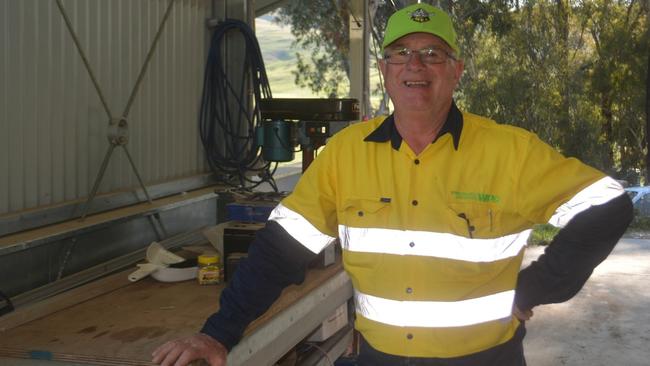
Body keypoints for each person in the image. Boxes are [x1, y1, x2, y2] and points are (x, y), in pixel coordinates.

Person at [152, 3, 633, 366]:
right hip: (378, 358)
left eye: (432, 54)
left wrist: (537, 287)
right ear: (383, 70)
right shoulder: (346, 154)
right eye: (400, 53)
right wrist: (219, 332)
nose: (414, 65)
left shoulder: (510, 151)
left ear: (456, 71)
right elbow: (280, 249)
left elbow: (608, 206)